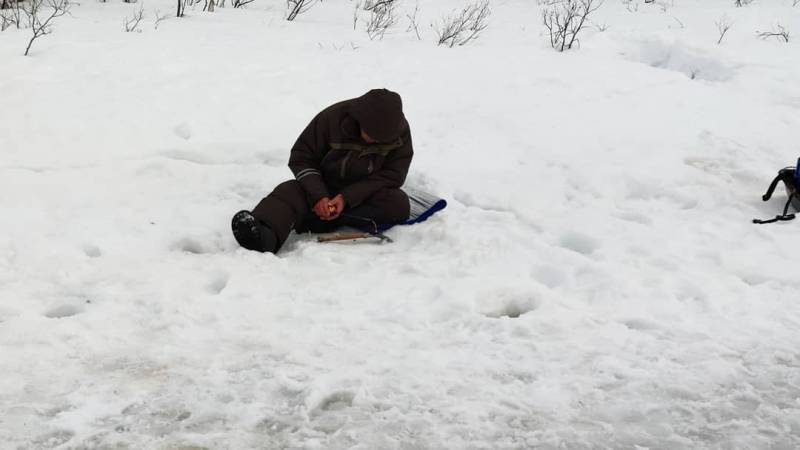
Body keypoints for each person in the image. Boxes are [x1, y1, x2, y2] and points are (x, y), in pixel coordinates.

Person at [231, 88, 413, 253]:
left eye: (381, 139)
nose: (375, 141)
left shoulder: (399, 131)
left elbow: (394, 174)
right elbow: (301, 157)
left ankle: (322, 217)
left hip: (361, 196)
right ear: (360, 120)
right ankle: (263, 236)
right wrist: (319, 196)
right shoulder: (332, 119)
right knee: (289, 191)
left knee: (398, 203)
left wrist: (346, 198)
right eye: (372, 135)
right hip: (320, 186)